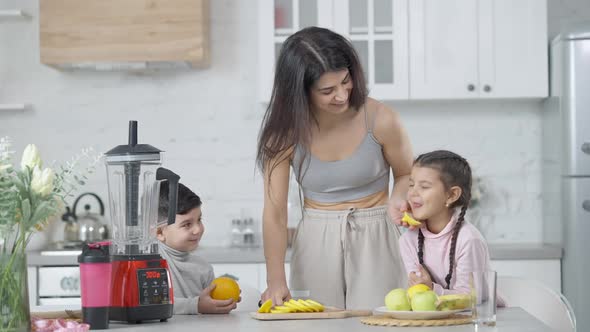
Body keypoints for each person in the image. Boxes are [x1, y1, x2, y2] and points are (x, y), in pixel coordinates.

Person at [256, 26, 413, 310]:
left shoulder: (381, 118)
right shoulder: (283, 134)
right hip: (316, 240)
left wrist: (400, 196)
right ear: (299, 92)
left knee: (380, 323)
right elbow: (275, 213)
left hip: (376, 233)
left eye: (345, 81)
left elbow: (405, 174)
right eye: (327, 90)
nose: (342, 95)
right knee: (315, 324)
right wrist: (275, 279)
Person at [399, 150, 493, 295]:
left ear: (451, 195)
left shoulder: (468, 240)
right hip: (435, 315)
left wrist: (431, 288)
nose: (412, 193)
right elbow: (417, 291)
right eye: (411, 185)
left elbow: (473, 298)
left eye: (424, 187)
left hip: (476, 316)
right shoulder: (408, 240)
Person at [156, 181, 239, 314]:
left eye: (199, 220)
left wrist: (221, 302)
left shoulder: (204, 268)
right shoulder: (149, 263)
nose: (197, 229)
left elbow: (208, 305)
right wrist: (196, 306)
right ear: (160, 233)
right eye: (187, 224)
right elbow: (152, 304)